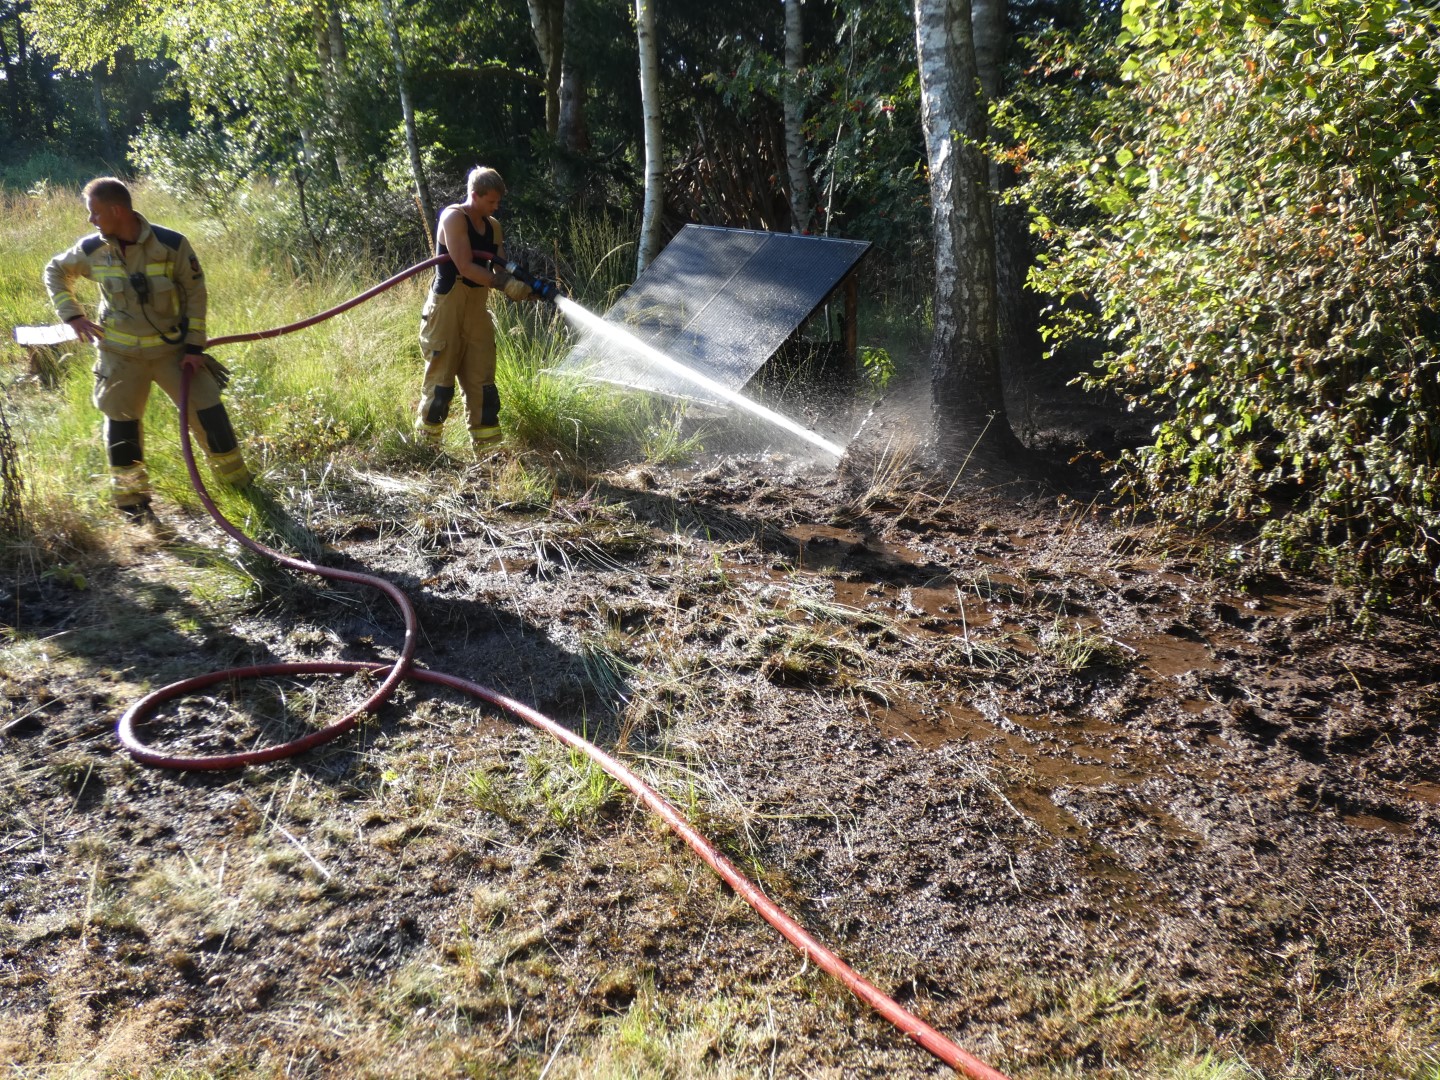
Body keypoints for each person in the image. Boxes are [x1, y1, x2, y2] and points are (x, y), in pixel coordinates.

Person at [44, 176, 251, 521]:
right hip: (120, 358)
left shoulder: (171, 244)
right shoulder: (92, 249)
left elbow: (196, 295)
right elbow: (55, 270)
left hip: (174, 355)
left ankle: (240, 489)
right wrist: (73, 316)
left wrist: (194, 348)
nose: (91, 220)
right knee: (122, 426)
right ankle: (133, 506)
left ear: (117, 210)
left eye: (95, 212)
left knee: (210, 413)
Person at [415, 165, 534, 456]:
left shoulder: (493, 226)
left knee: (483, 384)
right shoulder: (454, 217)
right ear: (475, 194)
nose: (496, 206)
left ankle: (488, 455)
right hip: (447, 308)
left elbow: (500, 266)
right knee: (441, 386)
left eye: (498, 201)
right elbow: (466, 266)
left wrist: (525, 287)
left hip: (477, 309)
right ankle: (427, 451)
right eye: (491, 201)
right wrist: (504, 284)